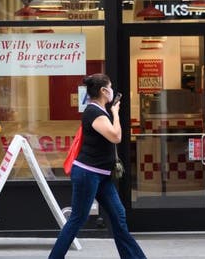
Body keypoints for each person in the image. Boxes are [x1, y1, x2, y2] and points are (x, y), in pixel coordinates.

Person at [49, 73, 146, 259]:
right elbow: (116, 136)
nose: (112, 91)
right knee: (77, 219)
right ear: (103, 91)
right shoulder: (93, 112)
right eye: (110, 87)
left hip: (101, 176)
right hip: (88, 174)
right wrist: (116, 113)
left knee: (119, 217)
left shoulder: (99, 111)